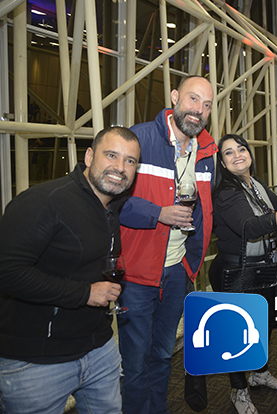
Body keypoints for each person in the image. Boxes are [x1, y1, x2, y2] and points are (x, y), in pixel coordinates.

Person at [0, 127, 141, 413]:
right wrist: (84, 293)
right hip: (37, 363)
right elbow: (7, 272)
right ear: (89, 157)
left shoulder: (112, 207)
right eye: (111, 155)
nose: (120, 167)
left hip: (99, 350)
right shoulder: (44, 201)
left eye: (130, 161)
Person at [118, 75, 218, 414]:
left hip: (177, 272)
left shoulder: (207, 153)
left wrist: (189, 266)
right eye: (193, 99)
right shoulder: (140, 139)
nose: (198, 110)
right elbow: (114, 200)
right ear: (175, 97)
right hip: (137, 273)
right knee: (135, 363)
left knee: (162, 356)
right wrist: (158, 213)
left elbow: (204, 213)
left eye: (207, 105)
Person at [209, 134, 277, 413]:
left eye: (241, 149)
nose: (237, 155)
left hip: (261, 269)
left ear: (249, 153)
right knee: (236, 335)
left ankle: (259, 373)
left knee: (262, 326)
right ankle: (238, 390)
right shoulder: (225, 192)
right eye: (228, 152)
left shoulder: (256, 184)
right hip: (236, 272)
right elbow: (248, 227)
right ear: (222, 163)